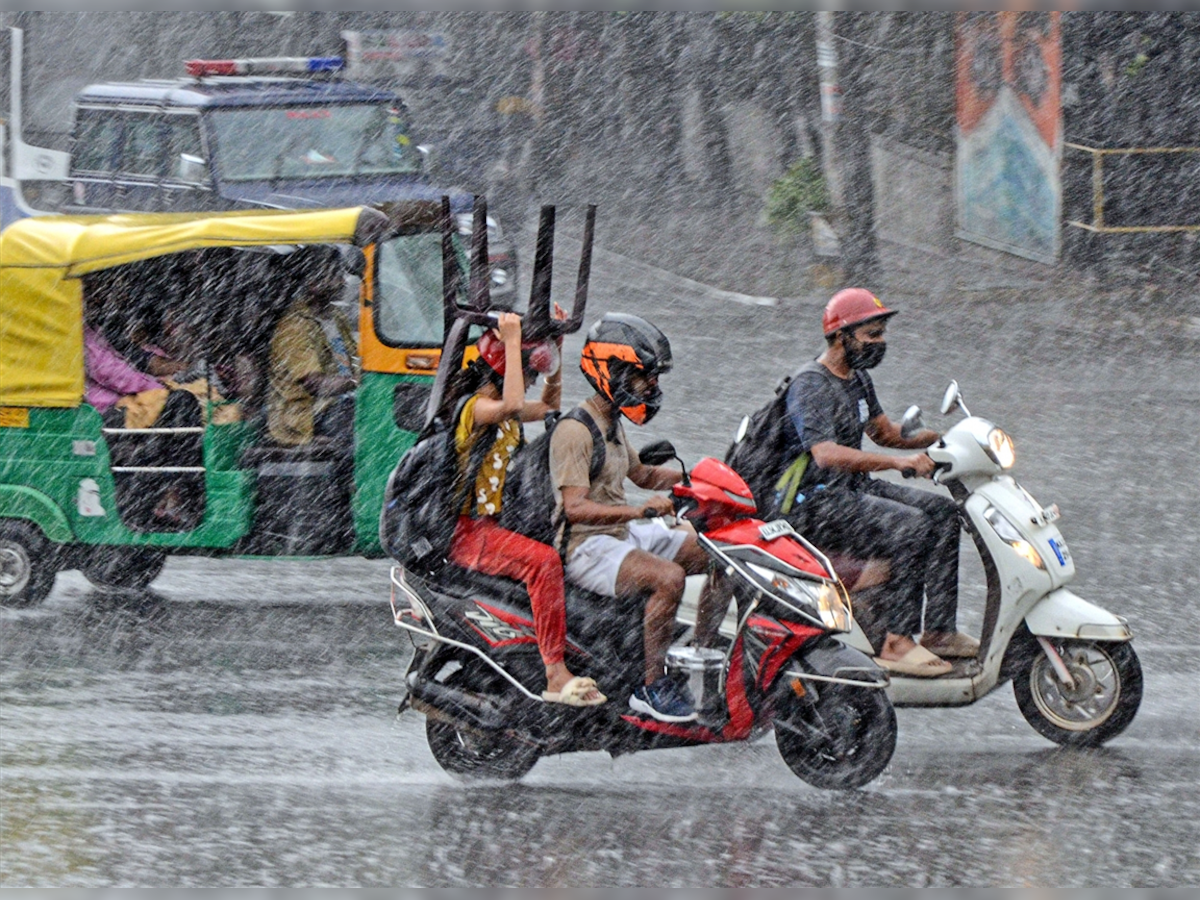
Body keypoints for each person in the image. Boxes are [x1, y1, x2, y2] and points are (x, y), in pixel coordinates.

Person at [777, 287, 979, 677]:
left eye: (882, 334)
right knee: (910, 527)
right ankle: (896, 640)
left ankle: (938, 631)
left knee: (941, 512)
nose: (880, 343)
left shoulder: (857, 379)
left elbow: (883, 431)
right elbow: (826, 454)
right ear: (841, 337)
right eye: (872, 335)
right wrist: (896, 463)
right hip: (814, 502)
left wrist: (945, 439)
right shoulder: (811, 385)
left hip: (851, 490)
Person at [549, 313, 729, 723]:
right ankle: (651, 688)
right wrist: (639, 509)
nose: (652, 387)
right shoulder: (575, 431)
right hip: (585, 545)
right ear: (610, 372)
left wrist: (704, 479)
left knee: (720, 552)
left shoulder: (610, 422)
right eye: (643, 377)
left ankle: (701, 653)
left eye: (653, 378)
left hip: (621, 533)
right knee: (669, 578)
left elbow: (644, 475)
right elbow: (573, 508)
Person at [447, 311, 605, 707]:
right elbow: (514, 402)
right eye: (525, 374)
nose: (530, 383)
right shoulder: (475, 409)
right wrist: (514, 342)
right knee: (543, 562)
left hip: (495, 527)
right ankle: (554, 672)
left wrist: (558, 350)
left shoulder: (507, 411)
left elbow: (550, 404)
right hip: (469, 533)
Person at [266, 245, 359, 448]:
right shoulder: (294, 327)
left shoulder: (336, 317)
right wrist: (357, 381)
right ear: (313, 283)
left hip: (340, 405)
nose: (342, 282)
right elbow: (318, 386)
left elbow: (356, 360)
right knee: (359, 422)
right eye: (335, 276)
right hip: (311, 415)